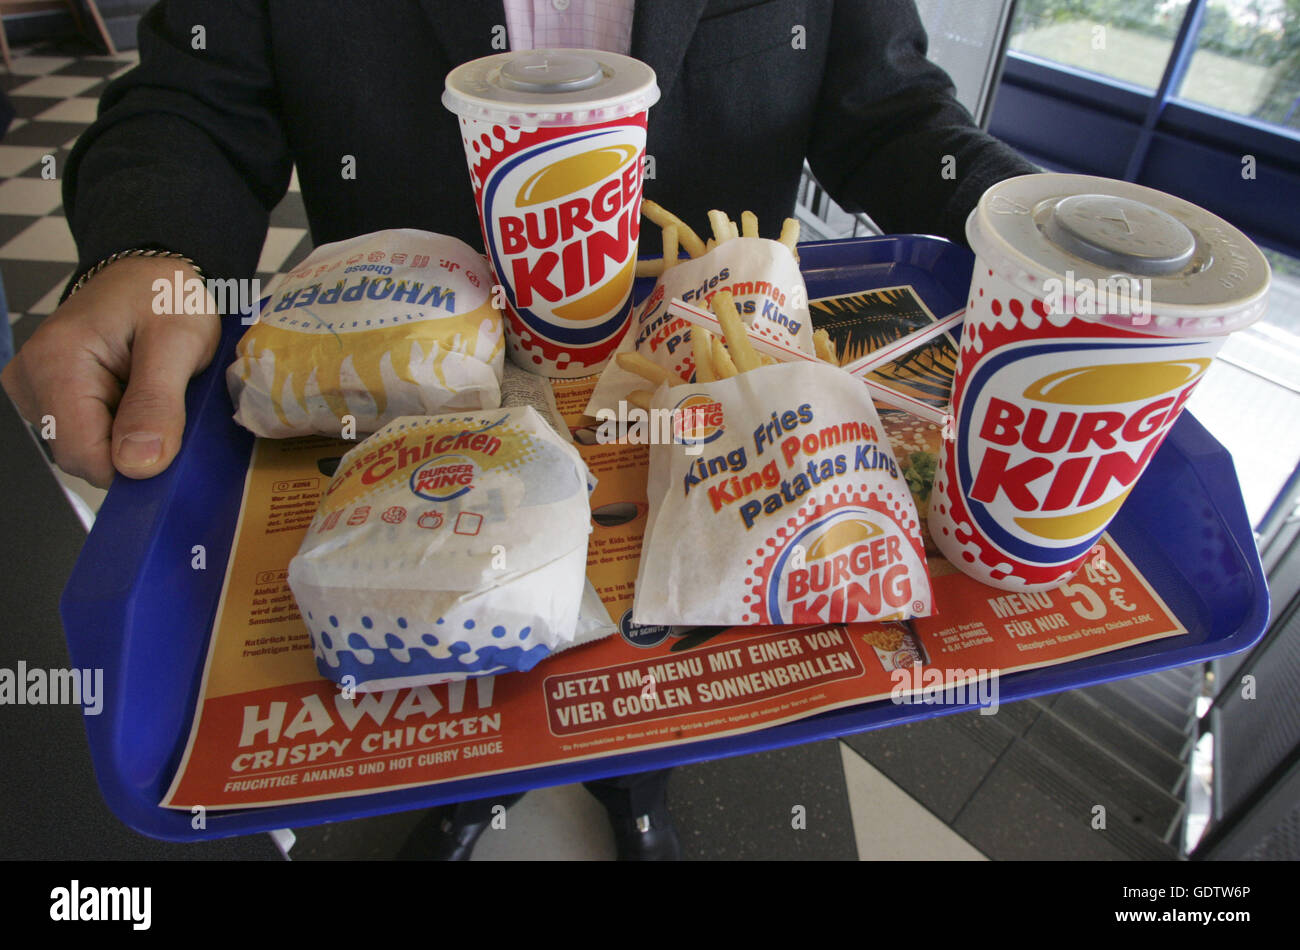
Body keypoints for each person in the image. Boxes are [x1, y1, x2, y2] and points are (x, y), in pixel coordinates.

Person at [1, 0, 1036, 859]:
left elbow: (888, 107)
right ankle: (462, 786)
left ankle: (639, 781)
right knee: (446, 619)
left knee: (660, 627)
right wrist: (144, 251)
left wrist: (1035, 231)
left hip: (706, 408)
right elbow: (193, 95)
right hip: (421, 397)